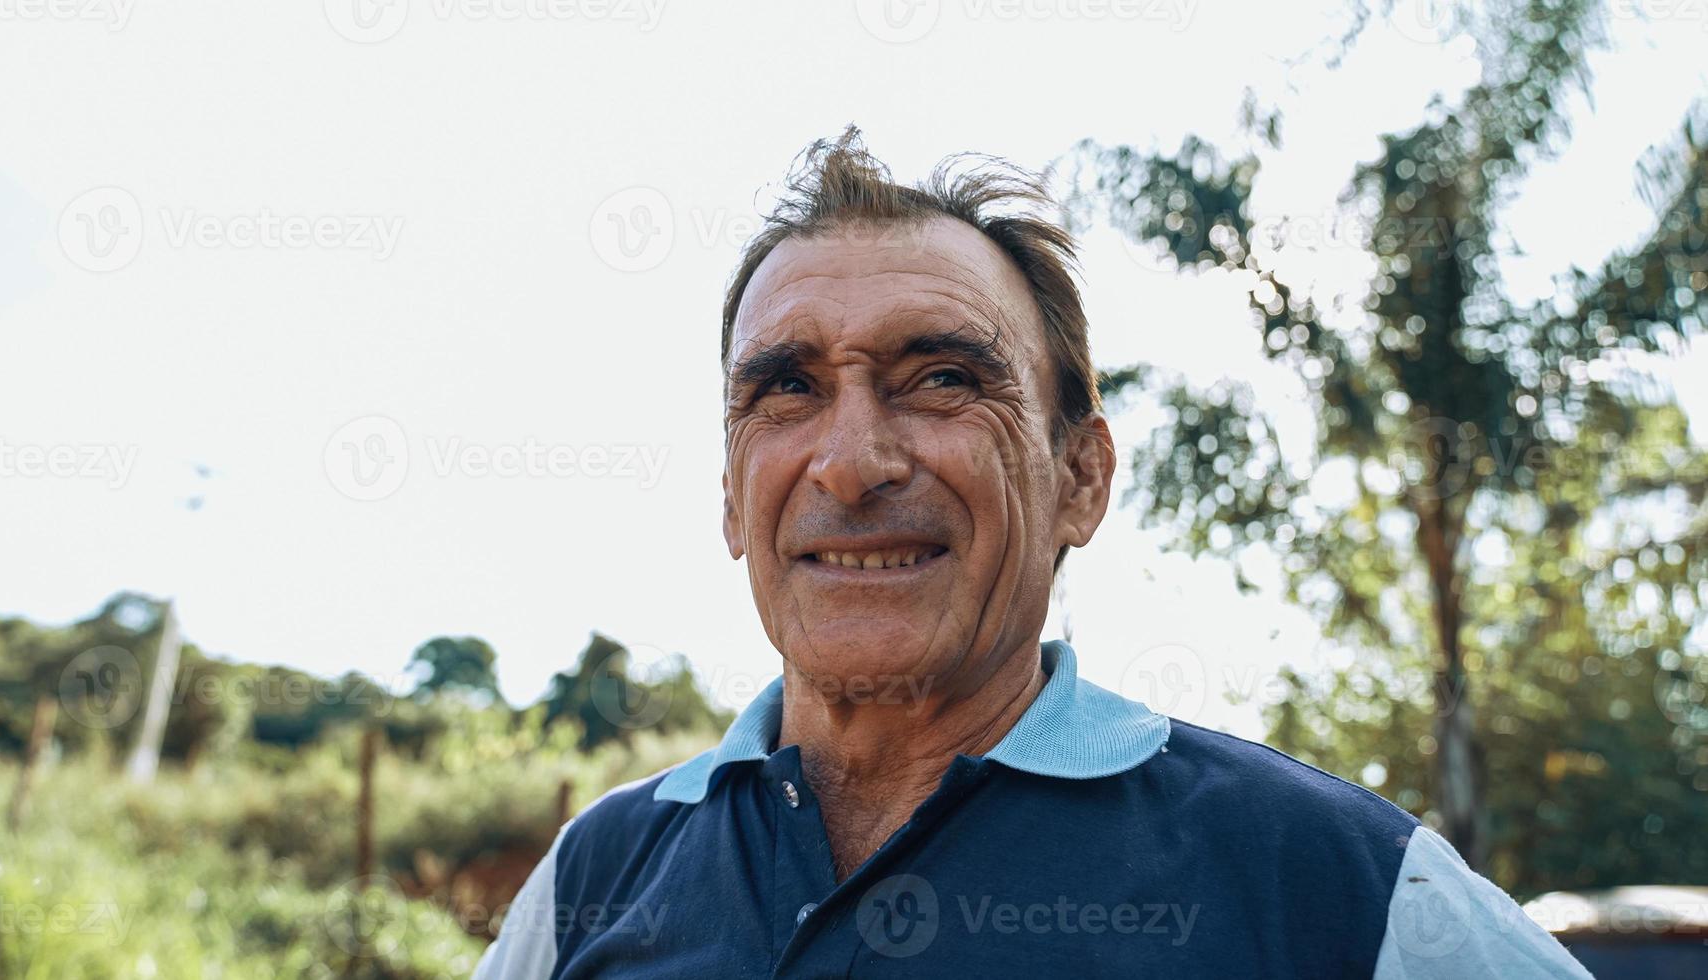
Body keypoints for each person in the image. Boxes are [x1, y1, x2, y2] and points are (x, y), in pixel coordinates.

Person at [474, 127, 1589, 978]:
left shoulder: (1330, 882)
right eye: (786, 390)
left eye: (943, 378)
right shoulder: (595, 875)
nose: (851, 461)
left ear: (1080, 478)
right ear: (731, 498)